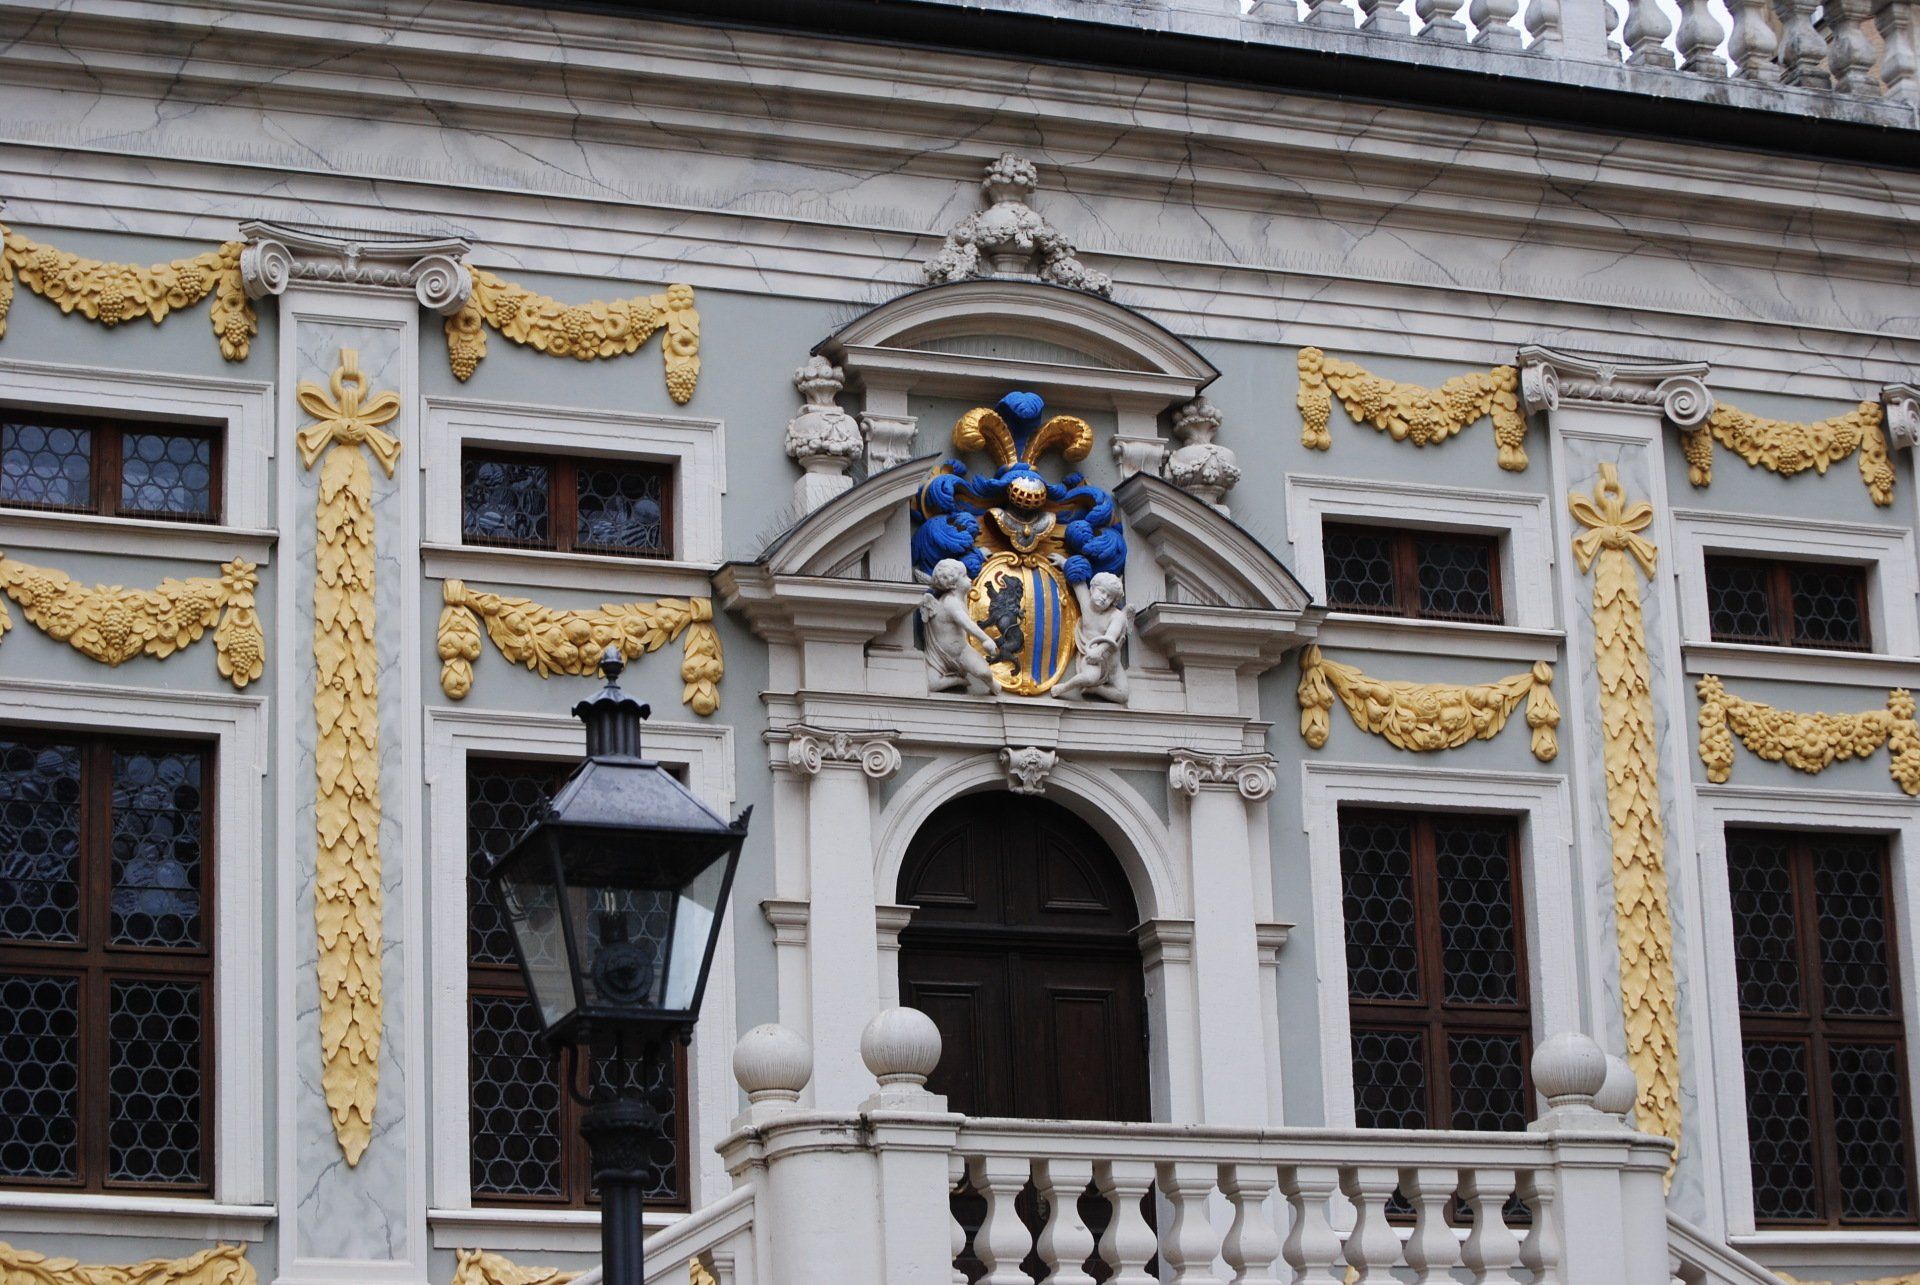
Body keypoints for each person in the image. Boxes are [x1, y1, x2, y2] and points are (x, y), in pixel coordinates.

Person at [919, 558, 1002, 695]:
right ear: (952, 584)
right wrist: (985, 640)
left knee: (985, 673)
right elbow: (967, 624)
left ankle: (992, 685)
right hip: (940, 657)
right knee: (932, 684)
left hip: (961, 653)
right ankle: (958, 680)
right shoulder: (951, 602)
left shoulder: (959, 598)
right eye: (964, 576)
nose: (969, 579)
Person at [1051, 566, 1130, 703]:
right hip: (1091, 656)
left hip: (1111, 661)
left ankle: (1095, 689)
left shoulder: (1117, 617)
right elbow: (1077, 581)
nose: (1104, 598)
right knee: (1089, 677)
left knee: (1123, 695)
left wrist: (1098, 651)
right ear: (1092, 589)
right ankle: (1064, 687)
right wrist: (1065, 563)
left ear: (1113, 601)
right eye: (1102, 591)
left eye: (1109, 596)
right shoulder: (1086, 604)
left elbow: (1110, 637)